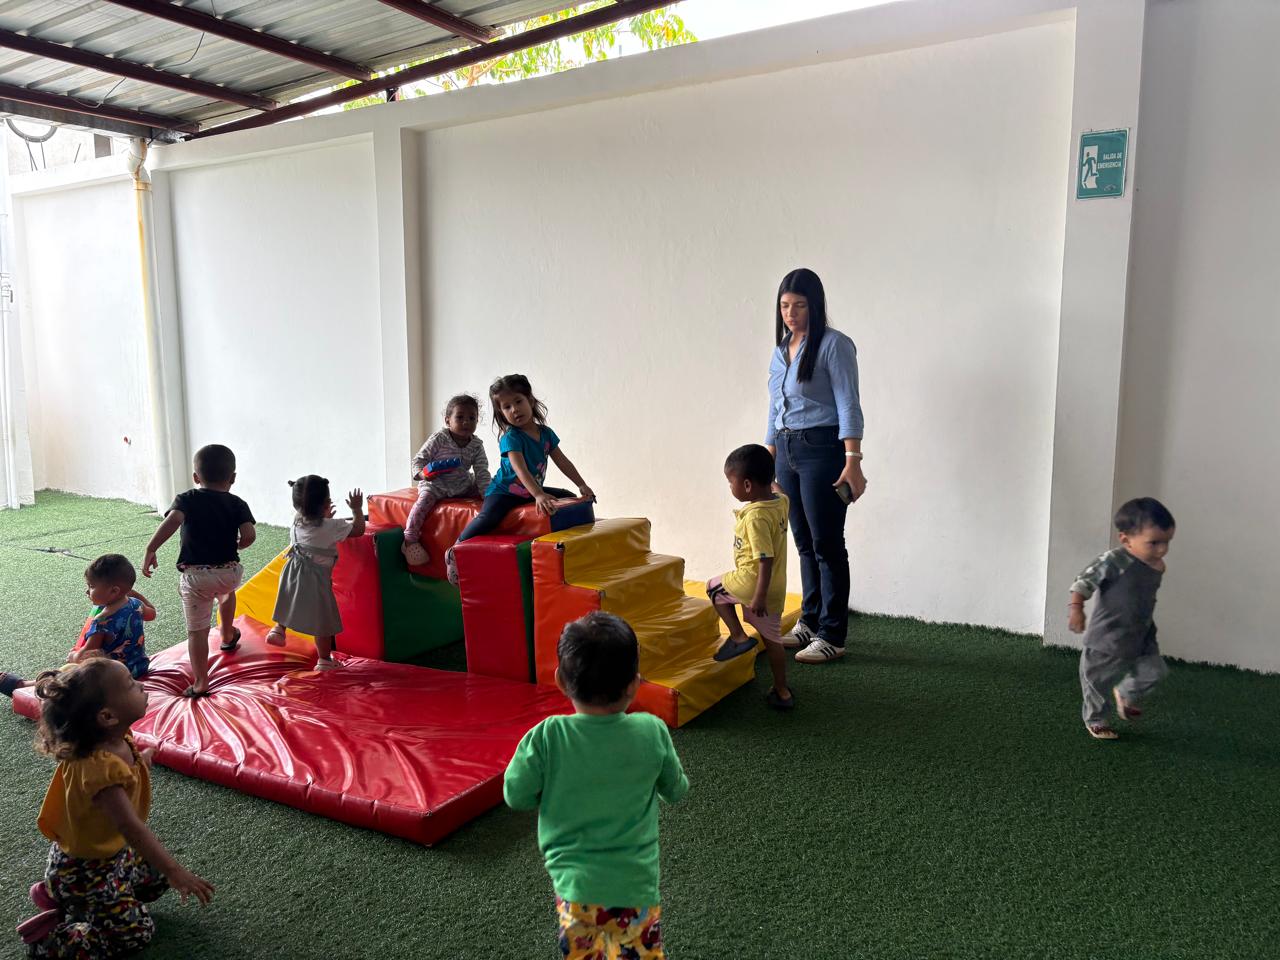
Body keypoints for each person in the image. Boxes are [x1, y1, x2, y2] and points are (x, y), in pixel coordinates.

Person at [505, 612, 687, 959]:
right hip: (635, 891)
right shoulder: (651, 731)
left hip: (575, 892)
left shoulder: (546, 736)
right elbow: (675, 789)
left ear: (561, 680)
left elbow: (516, 796)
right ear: (634, 683)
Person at [17, 659, 213, 956]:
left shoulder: (114, 739)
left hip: (112, 856)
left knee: (155, 881)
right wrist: (176, 871)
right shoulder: (97, 768)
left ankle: (67, 898)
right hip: (86, 873)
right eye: (131, 685)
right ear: (107, 716)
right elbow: (131, 827)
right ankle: (52, 936)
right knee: (136, 935)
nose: (141, 686)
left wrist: (141, 761)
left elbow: (123, 776)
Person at [765, 268, 866, 664]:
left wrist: (853, 461)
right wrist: (768, 457)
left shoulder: (834, 345)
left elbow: (848, 403)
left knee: (827, 543)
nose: (791, 314)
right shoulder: (780, 350)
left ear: (815, 306)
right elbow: (774, 407)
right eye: (785, 306)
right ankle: (809, 621)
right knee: (804, 541)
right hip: (786, 449)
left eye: (800, 306)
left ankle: (832, 634)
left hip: (822, 448)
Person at [446, 374, 594, 584]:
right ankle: (455, 549)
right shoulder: (511, 438)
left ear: (530, 401)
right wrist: (539, 494)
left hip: (531, 491)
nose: (514, 409)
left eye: (518, 401)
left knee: (568, 497)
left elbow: (563, 461)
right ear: (501, 413)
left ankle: (575, 554)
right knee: (489, 517)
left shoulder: (546, 433)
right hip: (504, 492)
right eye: (507, 407)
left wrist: (581, 484)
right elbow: (521, 469)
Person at [142, 444, 256, 698]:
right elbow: (249, 534)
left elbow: (172, 521)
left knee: (197, 631)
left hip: (197, 577)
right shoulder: (238, 503)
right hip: (229, 573)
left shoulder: (187, 499)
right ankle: (227, 633)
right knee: (226, 593)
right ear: (233, 478)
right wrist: (240, 544)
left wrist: (151, 548)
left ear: (196, 477)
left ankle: (201, 682)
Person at [1069, 497, 1176, 740]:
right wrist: (1076, 608)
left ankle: (1125, 694)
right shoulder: (1114, 560)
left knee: (1155, 670)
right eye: (1154, 543)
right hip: (1107, 635)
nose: (1162, 550)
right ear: (1126, 540)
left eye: (1167, 542)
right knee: (1097, 681)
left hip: (1142, 632)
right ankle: (1096, 719)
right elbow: (1084, 581)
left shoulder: (1158, 565)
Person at [707, 444, 794, 709]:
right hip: (776, 588)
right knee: (773, 641)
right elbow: (780, 490)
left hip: (753, 582)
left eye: (730, 482)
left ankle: (738, 636)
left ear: (747, 485)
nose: (730, 487)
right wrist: (770, 477)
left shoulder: (756, 517)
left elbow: (764, 559)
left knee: (713, 588)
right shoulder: (781, 502)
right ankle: (782, 691)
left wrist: (758, 596)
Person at [1, 555, 156, 697]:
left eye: (91, 586)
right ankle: (28, 684)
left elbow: (87, 654)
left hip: (111, 677)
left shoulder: (102, 620)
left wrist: (74, 656)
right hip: (139, 667)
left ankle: (25, 687)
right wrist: (134, 595)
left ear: (114, 591)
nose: (87, 591)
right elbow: (152, 614)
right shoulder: (136, 605)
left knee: (68, 671)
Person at [265, 477, 365, 670]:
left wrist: (324, 516)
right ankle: (324, 659)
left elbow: (315, 529)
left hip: (292, 569)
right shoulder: (333, 527)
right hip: (316, 578)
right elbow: (358, 529)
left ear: (296, 505)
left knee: (288, 599)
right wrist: (356, 509)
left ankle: (278, 629)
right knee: (323, 621)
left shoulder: (296, 520)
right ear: (327, 504)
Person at [400, 394, 492, 566]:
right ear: (448, 420)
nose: (466, 422)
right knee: (423, 501)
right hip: (436, 484)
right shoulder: (440, 438)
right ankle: (410, 539)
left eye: (472, 418)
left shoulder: (476, 445)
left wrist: (487, 494)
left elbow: (482, 471)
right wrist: (423, 474)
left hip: (462, 483)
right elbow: (418, 460)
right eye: (460, 417)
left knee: (492, 485)